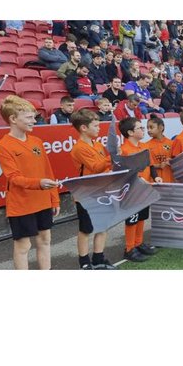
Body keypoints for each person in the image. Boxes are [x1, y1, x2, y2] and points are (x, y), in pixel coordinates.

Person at [0, 96, 60, 270]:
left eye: (34, 117)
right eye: (29, 117)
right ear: (13, 119)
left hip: (43, 201)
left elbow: (48, 172)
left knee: (45, 240)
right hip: (21, 204)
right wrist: (39, 183)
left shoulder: (36, 141)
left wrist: (54, 199)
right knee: (23, 246)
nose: (34, 120)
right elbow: (14, 178)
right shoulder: (4, 146)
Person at [69, 108, 117, 269]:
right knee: (86, 229)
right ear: (83, 127)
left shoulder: (97, 144)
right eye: (95, 126)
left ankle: (98, 257)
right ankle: (84, 262)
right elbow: (95, 167)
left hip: (102, 190)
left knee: (102, 225)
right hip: (86, 194)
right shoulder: (79, 148)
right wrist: (112, 157)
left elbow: (103, 168)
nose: (99, 128)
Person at [120, 116, 162, 261]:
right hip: (132, 192)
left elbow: (150, 165)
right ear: (130, 132)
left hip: (145, 189)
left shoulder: (144, 146)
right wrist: (137, 179)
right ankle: (129, 248)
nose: (144, 130)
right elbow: (123, 174)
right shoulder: (124, 150)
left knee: (142, 217)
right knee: (132, 219)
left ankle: (138, 243)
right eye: (140, 128)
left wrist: (155, 177)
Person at [146, 115, 174, 182]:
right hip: (155, 182)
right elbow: (147, 166)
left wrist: (172, 161)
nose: (149, 130)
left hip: (170, 180)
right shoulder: (146, 146)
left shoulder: (172, 143)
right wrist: (158, 165)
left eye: (151, 127)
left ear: (161, 127)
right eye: (147, 128)